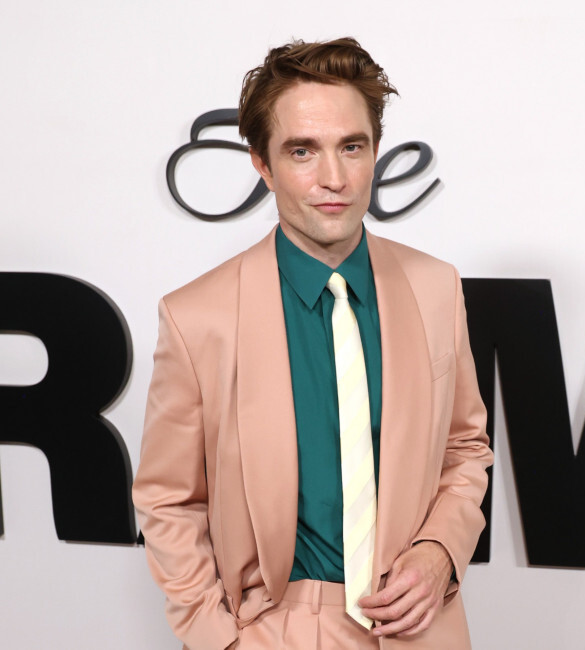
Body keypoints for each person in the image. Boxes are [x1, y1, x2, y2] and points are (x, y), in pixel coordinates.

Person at [133, 37, 493, 650]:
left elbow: (464, 448)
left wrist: (440, 550)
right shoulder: (197, 317)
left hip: (420, 627)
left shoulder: (436, 287)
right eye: (302, 150)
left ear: (375, 151)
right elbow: (168, 499)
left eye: (352, 147)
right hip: (274, 626)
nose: (334, 179)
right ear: (262, 164)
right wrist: (219, 638)